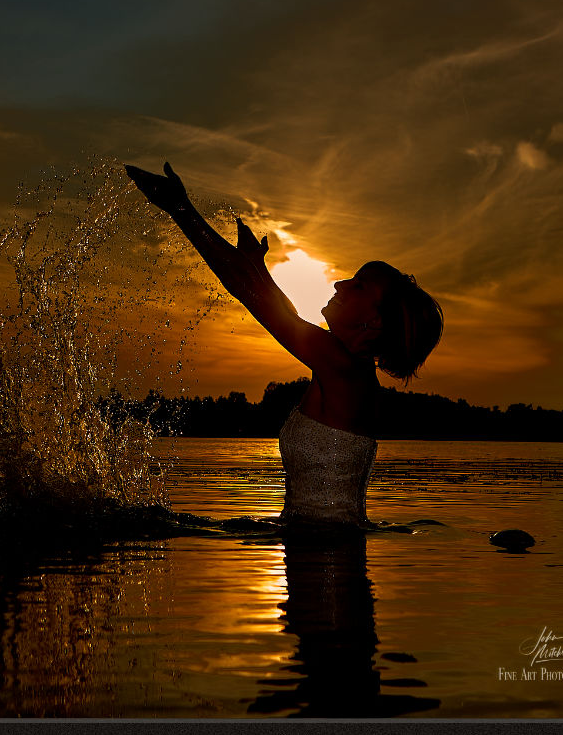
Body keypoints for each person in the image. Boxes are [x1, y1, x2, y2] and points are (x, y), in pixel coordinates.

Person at [126, 162, 443, 528]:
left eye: (358, 286)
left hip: (330, 563)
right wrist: (257, 268)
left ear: (374, 322)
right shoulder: (342, 367)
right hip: (320, 550)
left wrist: (181, 210)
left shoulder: (343, 369)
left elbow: (254, 299)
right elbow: (278, 308)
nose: (340, 284)